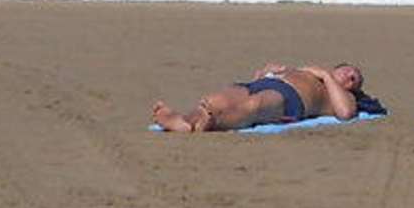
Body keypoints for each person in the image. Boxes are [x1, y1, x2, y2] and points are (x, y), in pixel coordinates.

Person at [152, 62, 365, 133]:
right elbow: (262, 74)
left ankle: (210, 122)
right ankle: (185, 122)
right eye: (348, 70)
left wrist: (326, 76)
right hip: (265, 82)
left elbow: (345, 114)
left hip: (291, 98)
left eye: (354, 79)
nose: (350, 75)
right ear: (337, 67)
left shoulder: (344, 96)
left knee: (255, 105)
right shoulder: (307, 70)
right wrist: (268, 71)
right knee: (216, 100)